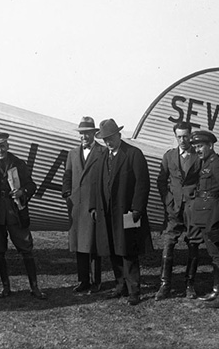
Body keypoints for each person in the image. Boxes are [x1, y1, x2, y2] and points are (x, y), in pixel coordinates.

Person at [89, 119, 152, 305]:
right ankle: (120, 285)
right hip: (107, 213)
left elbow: (142, 184)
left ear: (119, 135)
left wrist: (137, 209)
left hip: (127, 212)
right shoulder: (102, 158)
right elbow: (96, 184)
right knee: (112, 249)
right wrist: (94, 206)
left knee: (128, 250)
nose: (108, 142)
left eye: (111, 137)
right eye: (105, 139)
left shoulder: (133, 154)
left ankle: (134, 290)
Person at [0, 132, 46, 300]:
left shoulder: (19, 163)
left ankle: (34, 287)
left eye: (2, 146)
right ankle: (5, 287)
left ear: (8, 146)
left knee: (26, 248)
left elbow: (32, 185)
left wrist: (22, 191)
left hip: (15, 212)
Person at [155, 122, 202, 300]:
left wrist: (198, 202)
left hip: (193, 208)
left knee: (193, 244)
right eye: (179, 136)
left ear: (191, 136)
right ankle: (165, 285)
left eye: (185, 136)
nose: (182, 140)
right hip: (173, 209)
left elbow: (205, 181)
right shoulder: (169, 156)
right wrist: (167, 200)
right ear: (175, 136)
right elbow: (161, 180)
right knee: (168, 243)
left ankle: (190, 285)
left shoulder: (199, 156)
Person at [188, 130, 219, 309]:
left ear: (210, 146)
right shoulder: (205, 163)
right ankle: (216, 290)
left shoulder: (217, 164)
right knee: (213, 255)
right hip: (204, 215)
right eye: (195, 147)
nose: (197, 150)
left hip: (213, 217)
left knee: (218, 256)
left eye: (200, 146)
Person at [62, 117, 106, 294]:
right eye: (81, 134)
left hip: (93, 204)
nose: (83, 137)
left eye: (87, 133)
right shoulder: (72, 153)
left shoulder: (103, 152)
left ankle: (96, 282)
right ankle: (83, 280)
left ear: (94, 134)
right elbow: (67, 174)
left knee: (94, 244)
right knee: (79, 244)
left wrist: (98, 203)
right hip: (76, 205)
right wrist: (66, 192)